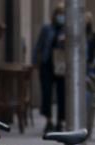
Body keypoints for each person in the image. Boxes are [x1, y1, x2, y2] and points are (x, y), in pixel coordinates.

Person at [33, 3, 66, 134]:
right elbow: (39, 46)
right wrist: (35, 61)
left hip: (61, 66)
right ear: (55, 15)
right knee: (46, 93)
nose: (61, 17)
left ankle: (60, 121)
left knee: (62, 94)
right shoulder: (47, 28)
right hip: (47, 64)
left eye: (63, 14)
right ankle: (49, 120)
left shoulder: (67, 29)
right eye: (59, 14)